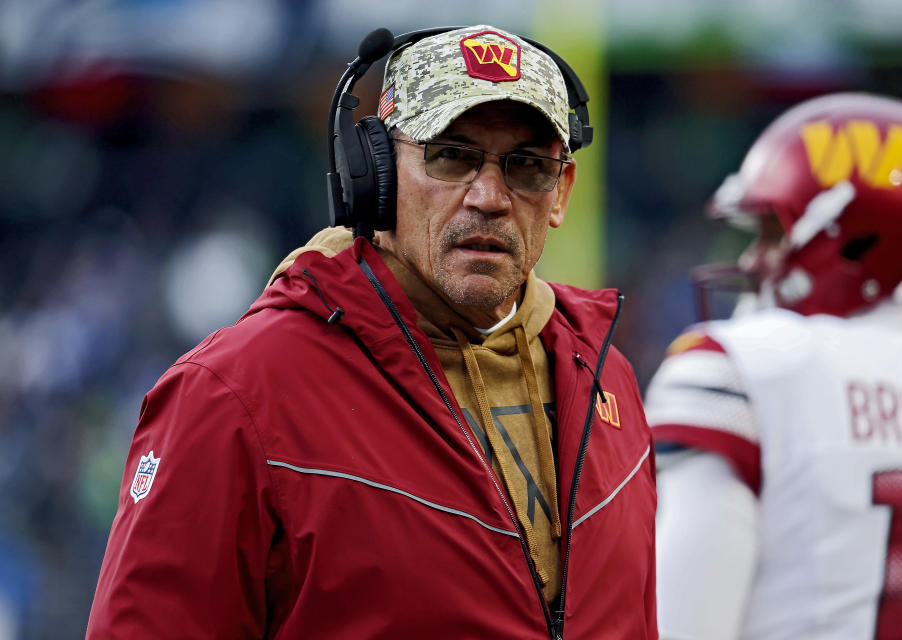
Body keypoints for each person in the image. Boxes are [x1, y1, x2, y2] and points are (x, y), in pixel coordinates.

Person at [86, 25, 658, 639]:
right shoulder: (233, 395)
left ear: (561, 193)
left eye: (527, 166)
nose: (490, 197)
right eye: (452, 155)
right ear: (375, 174)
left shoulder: (604, 378)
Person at [647, 91, 902, 640]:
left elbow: (681, 625)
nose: (750, 261)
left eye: (771, 233)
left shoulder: (744, 367)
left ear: (856, 237)